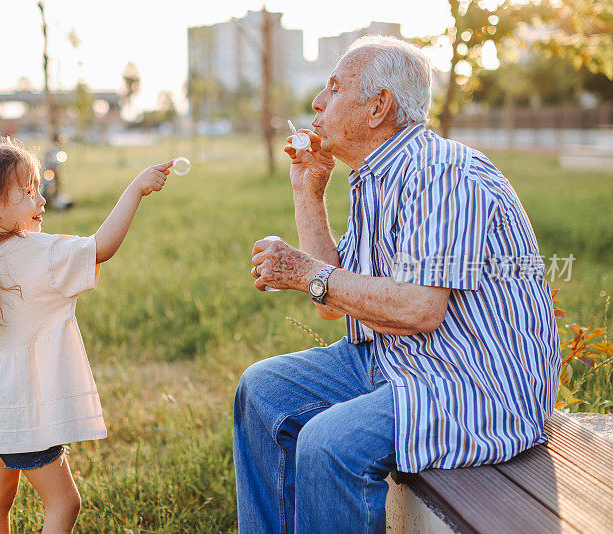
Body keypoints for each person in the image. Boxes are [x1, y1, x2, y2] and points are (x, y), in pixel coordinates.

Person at [234, 35, 560, 533]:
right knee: (262, 389)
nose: (317, 103)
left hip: (475, 381)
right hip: (398, 359)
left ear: (378, 106)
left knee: (328, 442)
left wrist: (303, 272)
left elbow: (418, 309)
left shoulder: (443, 173)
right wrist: (308, 193)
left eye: (335, 87)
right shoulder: (373, 177)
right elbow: (331, 304)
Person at [0, 134, 173, 533]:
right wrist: (135, 189)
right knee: (64, 504)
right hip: (30, 402)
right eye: (28, 192)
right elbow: (101, 247)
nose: (42, 199)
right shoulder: (36, 253)